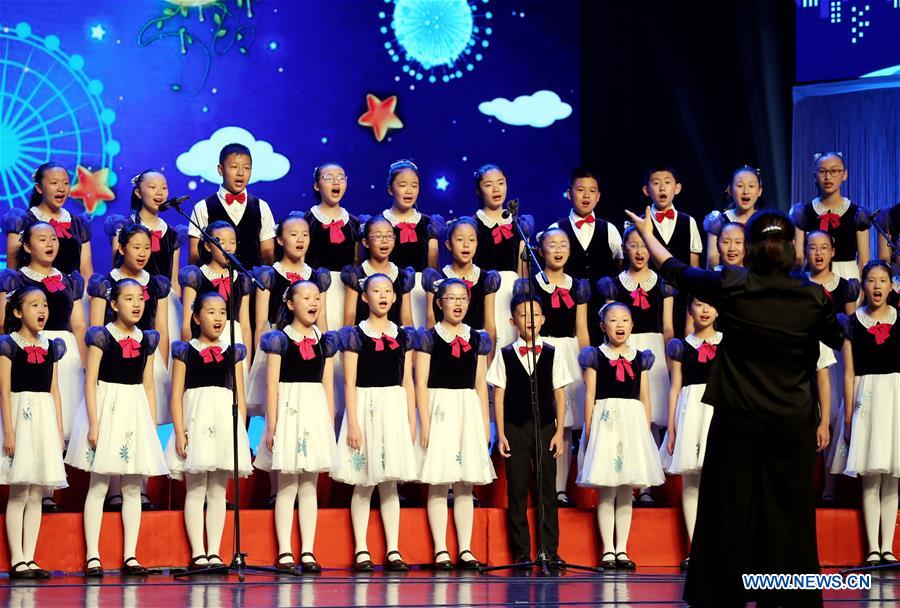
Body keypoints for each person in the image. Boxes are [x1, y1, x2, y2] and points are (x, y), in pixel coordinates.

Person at [625, 206, 844, 608]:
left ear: (752, 249)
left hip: (738, 420)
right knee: (788, 512)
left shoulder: (733, 284)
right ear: (791, 249)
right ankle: (784, 596)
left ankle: (725, 594)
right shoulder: (813, 296)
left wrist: (648, 234)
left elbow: (676, 270)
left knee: (730, 509)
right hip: (791, 422)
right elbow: (836, 334)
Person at [65, 279, 169, 577]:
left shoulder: (147, 339)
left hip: (134, 411)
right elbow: (90, 382)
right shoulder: (102, 337)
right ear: (113, 304)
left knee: (132, 487)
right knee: (99, 485)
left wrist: (150, 424)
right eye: (129, 298)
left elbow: (147, 385)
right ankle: (92, 555)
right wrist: (94, 423)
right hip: (107, 408)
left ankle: (130, 555)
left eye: (140, 298)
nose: (136, 304)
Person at [331, 274, 418, 572]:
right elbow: (350, 383)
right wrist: (353, 424)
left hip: (393, 408)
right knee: (364, 482)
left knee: (390, 483)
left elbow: (407, 381)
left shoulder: (404, 336)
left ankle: (393, 549)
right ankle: (361, 549)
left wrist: (411, 420)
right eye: (376, 291)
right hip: (365, 407)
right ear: (365, 297)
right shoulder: (356, 335)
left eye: (387, 291)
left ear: (394, 297)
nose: (382, 295)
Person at [253, 280, 340, 573]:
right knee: (288, 485)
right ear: (291, 304)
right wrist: (272, 426)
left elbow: (327, 387)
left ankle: (308, 550)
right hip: (290, 412)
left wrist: (328, 424)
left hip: (314, 413)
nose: (313, 302)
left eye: (317, 297)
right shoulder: (279, 340)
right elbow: (272, 387)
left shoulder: (325, 341)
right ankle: (285, 551)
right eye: (306, 297)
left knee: (309, 486)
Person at [165, 292, 253, 572]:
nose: (218, 318)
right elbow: (176, 395)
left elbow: (239, 395)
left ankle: (214, 552)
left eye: (222, 312)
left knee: (218, 490)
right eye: (211, 312)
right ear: (196, 317)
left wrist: (241, 433)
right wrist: (180, 431)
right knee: (196, 488)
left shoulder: (233, 352)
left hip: (224, 423)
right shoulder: (185, 351)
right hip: (197, 420)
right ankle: (198, 553)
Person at [486, 293, 574, 570]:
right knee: (517, 489)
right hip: (515, 426)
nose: (531, 320)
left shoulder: (553, 352)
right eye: (524, 315)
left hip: (546, 426)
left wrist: (559, 432)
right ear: (513, 321)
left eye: (535, 314)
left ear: (543, 319)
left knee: (547, 488)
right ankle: (522, 553)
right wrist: (500, 434)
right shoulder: (505, 354)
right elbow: (498, 395)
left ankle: (550, 550)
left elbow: (560, 394)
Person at [415, 278, 495, 570]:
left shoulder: (477, 338)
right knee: (439, 481)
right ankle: (440, 549)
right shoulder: (428, 338)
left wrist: (485, 424)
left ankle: (465, 549)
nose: (458, 303)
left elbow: (480, 384)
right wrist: (425, 423)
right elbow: (420, 384)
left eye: (463, 298)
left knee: (464, 483)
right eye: (451, 298)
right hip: (439, 408)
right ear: (439, 303)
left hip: (467, 409)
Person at [577, 302, 664, 569]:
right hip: (607, 424)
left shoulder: (641, 358)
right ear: (603, 326)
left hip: (631, 425)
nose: (620, 325)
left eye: (625, 320)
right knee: (608, 488)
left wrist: (645, 433)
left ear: (632, 325)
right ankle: (607, 549)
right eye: (613, 320)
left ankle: (622, 549)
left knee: (627, 488)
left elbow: (645, 397)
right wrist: (590, 432)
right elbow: (590, 397)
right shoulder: (596, 356)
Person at [834, 261, 900, 567]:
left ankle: (888, 547)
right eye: (871, 280)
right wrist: (849, 416)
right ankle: (873, 548)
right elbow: (848, 374)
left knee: (892, 477)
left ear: (891, 286)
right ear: (863, 285)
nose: (877, 286)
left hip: (894, 398)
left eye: (883, 280)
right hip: (868, 398)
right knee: (871, 476)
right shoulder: (852, 323)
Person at [0, 287, 67, 579]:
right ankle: (17, 558)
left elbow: (55, 391)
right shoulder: (8, 345)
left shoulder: (52, 347)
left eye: (44, 305)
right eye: (34, 305)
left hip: (43, 419)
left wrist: (58, 431)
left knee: (37, 492)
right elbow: (4, 392)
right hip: (20, 416)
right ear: (18, 312)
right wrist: (9, 431)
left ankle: (30, 557)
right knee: (20, 490)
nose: (41, 310)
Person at [549, 167, 622, 344]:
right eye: (580, 190)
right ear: (569, 194)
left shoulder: (609, 229)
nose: (586, 196)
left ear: (598, 196)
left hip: (602, 311)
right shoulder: (556, 229)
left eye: (592, 191)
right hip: (567, 309)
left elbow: (620, 265)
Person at [188, 143, 276, 267]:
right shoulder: (202, 208)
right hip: (216, 278)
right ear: (220, 170)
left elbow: (268, 254)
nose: (241, 173)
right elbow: (195, 256)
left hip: (253, 278)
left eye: (246, 168)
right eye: (234, 167)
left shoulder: (262, 207)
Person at [3, 162, 94, 277]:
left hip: (71, 288)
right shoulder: (21, 222)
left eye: (66, 183)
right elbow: (12, 272)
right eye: (54, 183)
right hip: (32, 288)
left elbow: (86, 271)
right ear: (39, 187)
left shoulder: (79, 224)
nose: (61, 188)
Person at [790, 152, 871, 281]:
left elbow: (863, 260)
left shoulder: (857, 213)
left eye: (834, 171)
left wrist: (861, 288)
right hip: (813, 279)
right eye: (822, 171)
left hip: (847, 276)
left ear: (844, 174)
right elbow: (799, 258)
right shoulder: (804, 213)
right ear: (815, 175)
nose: (828, 177)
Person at [381, 159, 442, 328]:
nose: (409, 191)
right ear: (390, 189)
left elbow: (433, 267)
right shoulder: (381, 223)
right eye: (403, 185)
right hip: (389, 291)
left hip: (420, 294)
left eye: (414, 186)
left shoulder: (428, 223)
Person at [704, 166, 762, 268]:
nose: (746, 191)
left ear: (759, 191)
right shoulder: (718, 221)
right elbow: (712, 263)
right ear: (730, 190)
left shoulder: (766, 221)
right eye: (740, 186)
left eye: (751, 186)